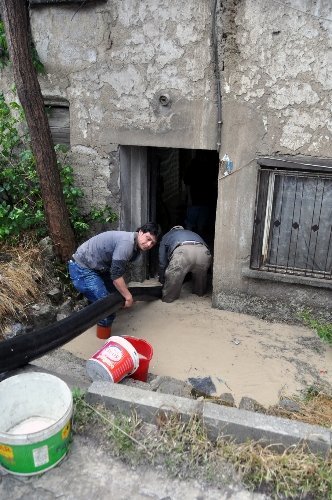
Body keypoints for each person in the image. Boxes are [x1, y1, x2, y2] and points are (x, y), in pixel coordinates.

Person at [68, 222, 161, 339]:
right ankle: (103, 340)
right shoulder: (127, 244)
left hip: (98, 267)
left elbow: (115, 271)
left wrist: (125, 295)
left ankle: (94, 308)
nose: (148, 244)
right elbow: (116, 276)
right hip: (82, 268)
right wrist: (129, 297)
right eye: (148, 239)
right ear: (141, 232)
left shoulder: (135, 246)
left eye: (152, 243)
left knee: (116, 297)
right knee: (107, 309)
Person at [158, 225, 212, 303]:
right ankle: (200, 294)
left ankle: (168, 299)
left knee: (173, 278)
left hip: (183, 252)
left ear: (171, 230)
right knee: (201, 278)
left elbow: (162, 260)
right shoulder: (192, 233)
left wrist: (162, 278)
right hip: (203, 252)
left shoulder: (167, 235)